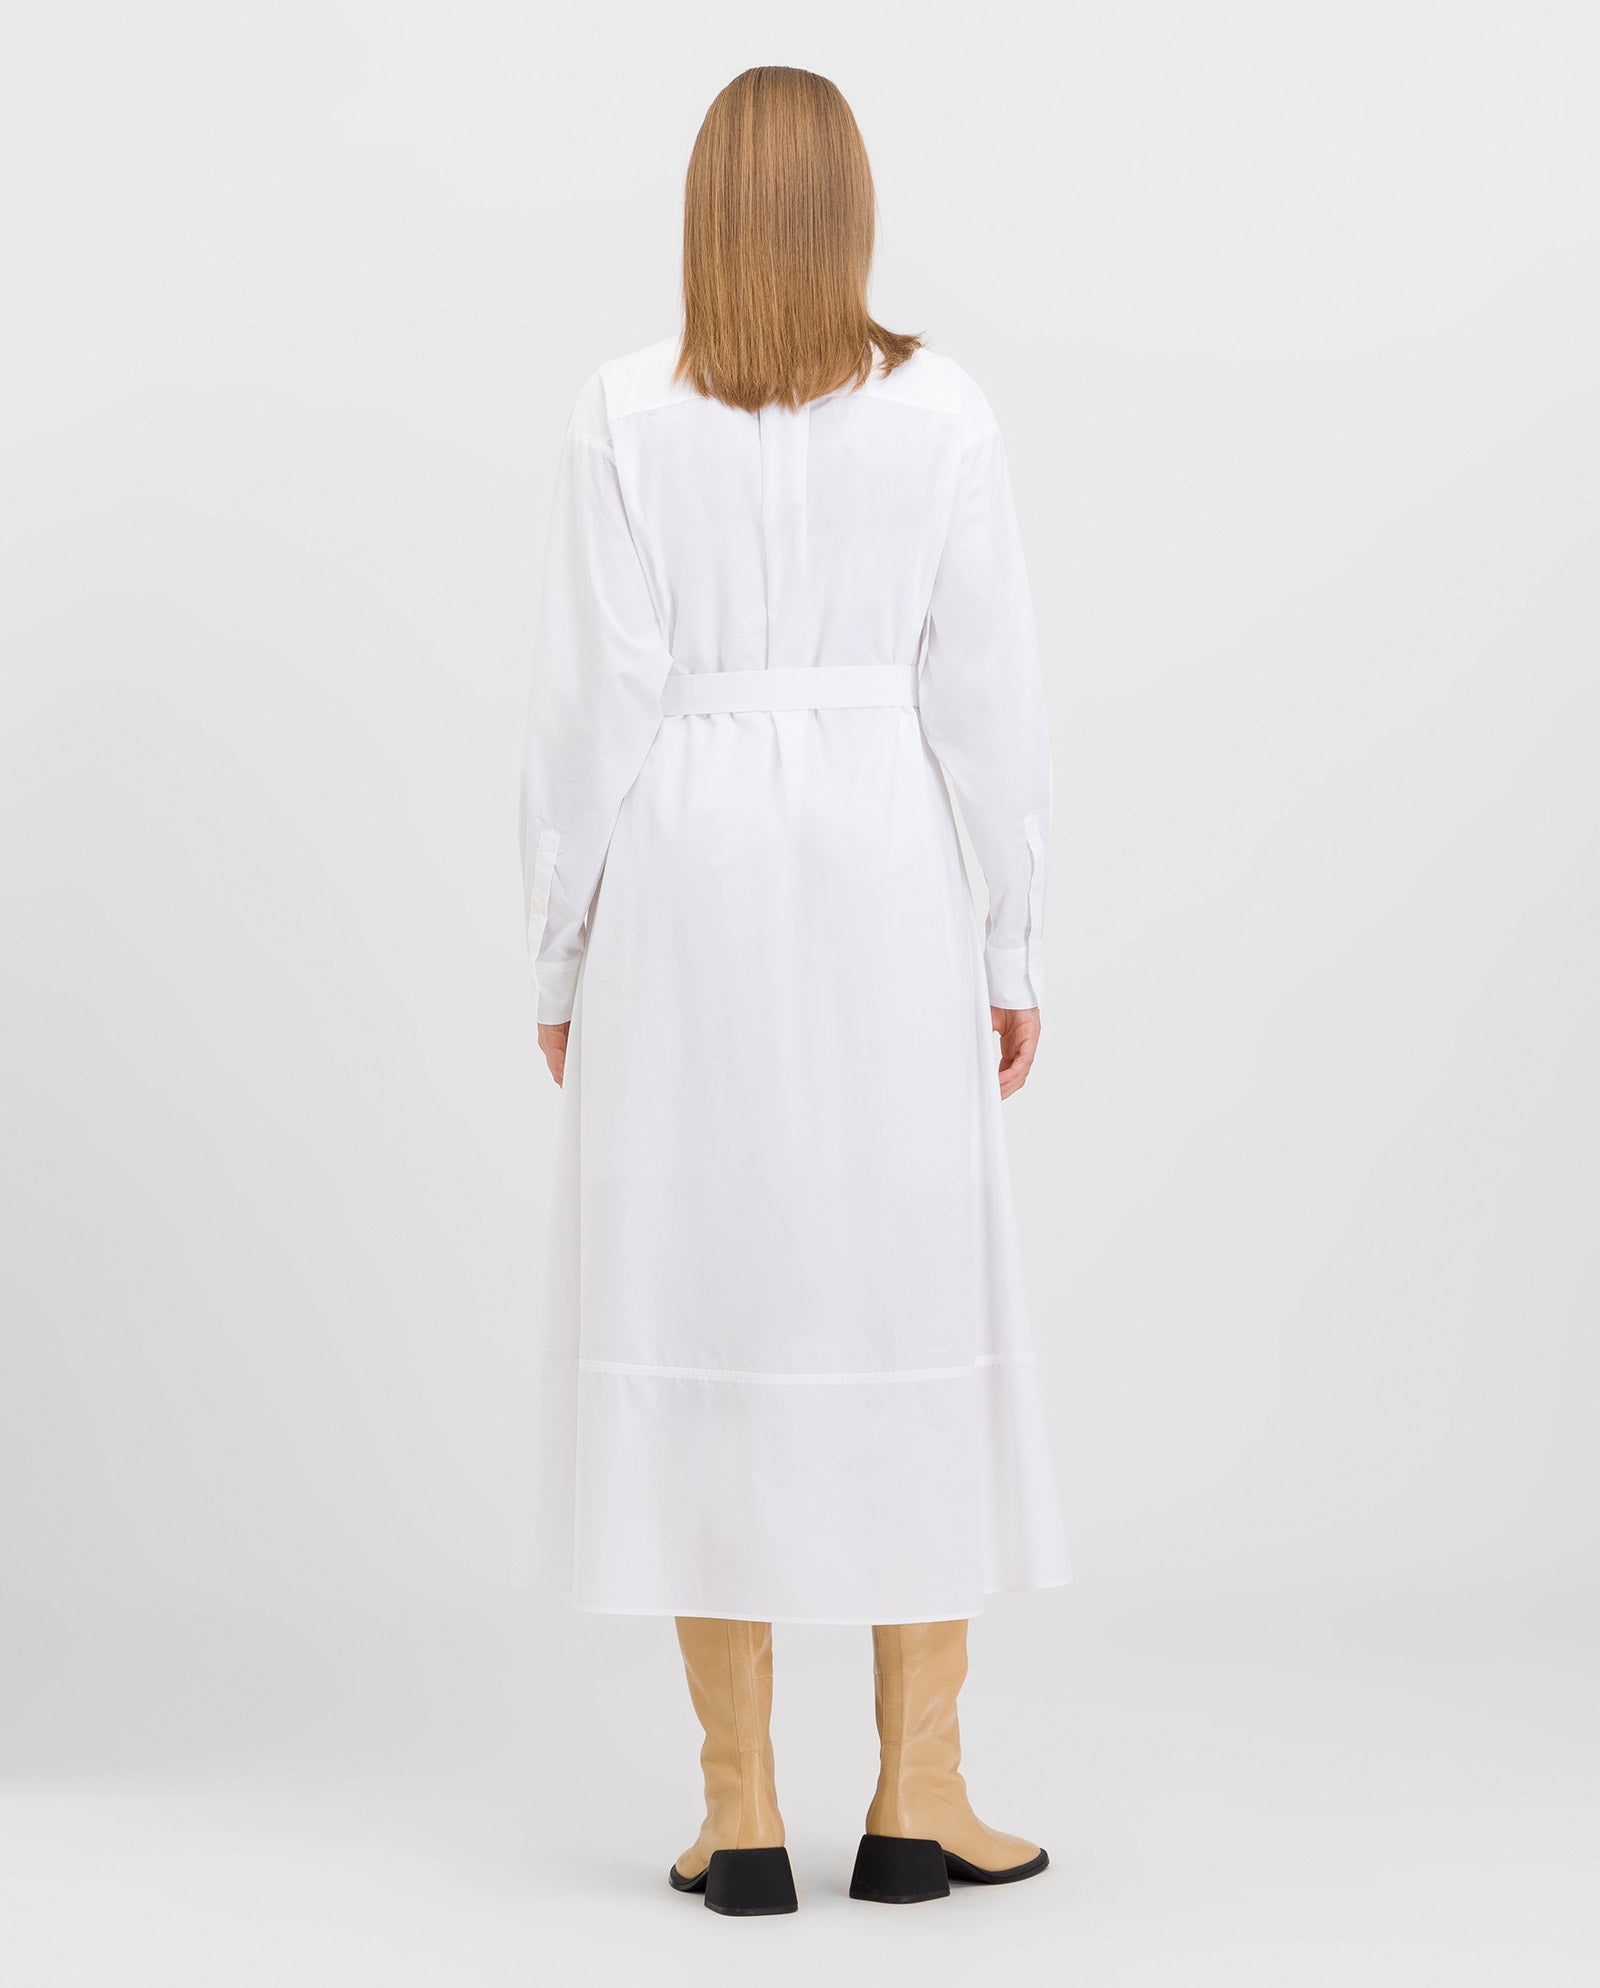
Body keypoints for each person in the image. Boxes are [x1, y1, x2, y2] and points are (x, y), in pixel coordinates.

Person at [519, 65, 1070, 1916]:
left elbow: (587, 710)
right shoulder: (943, 411)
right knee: (906, 1284)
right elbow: (989, 696)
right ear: (852, 209)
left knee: (710, 1290)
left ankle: (739, 1811)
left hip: (686, 883)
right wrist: (1012, 937)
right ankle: (921, 1797)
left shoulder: (621, 412)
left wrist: (561, 946)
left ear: (707, 208)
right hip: (882, 875)